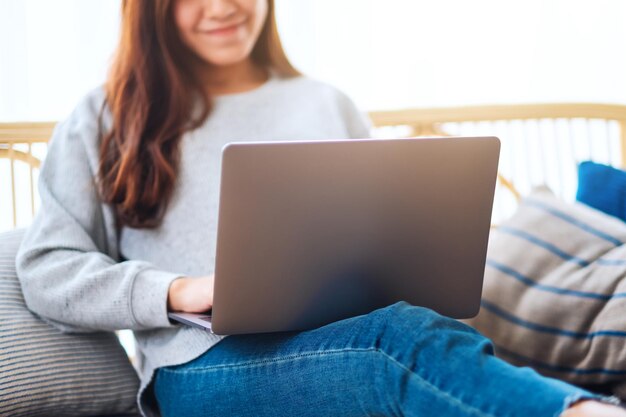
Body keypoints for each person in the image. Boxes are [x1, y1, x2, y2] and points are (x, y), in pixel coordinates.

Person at [14, 0, 626, 416]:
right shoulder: (104, 118)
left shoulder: (325, 103)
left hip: (347, 335)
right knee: (397, 343)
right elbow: (47, 269)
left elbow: (378, 237)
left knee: (422, 339)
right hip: (199, 366)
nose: (224, 6)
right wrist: (176, 290)